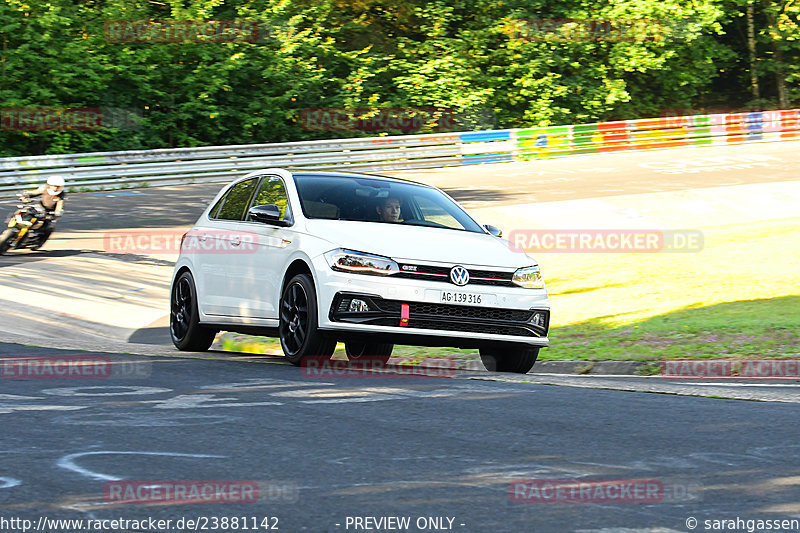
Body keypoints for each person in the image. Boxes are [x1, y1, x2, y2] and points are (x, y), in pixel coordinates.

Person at [20, 175, 66, 243]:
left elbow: (60, 205)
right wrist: (26, 195)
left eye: (58, 186)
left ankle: (38, 241)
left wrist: (57, 213)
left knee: (49, 227)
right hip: (40, 208)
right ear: (49, 185)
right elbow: (34, 193)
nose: (56, 188)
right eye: (54, 186)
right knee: (25, 212)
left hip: (50, 213)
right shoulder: (44, 188)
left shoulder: (61, 194)